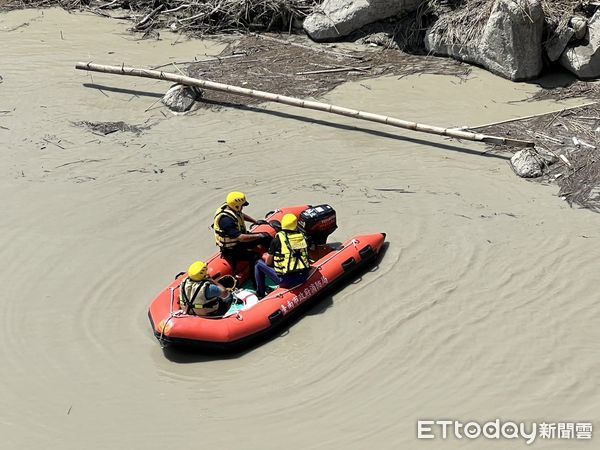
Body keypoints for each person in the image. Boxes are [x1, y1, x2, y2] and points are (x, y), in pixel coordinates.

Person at [254, 213, 311, 299]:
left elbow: (268, 263)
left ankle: (260, 294)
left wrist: (265, 255)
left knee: (258, 263)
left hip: (286, 281)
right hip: (304, 276)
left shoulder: (277, 240)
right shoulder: (302, 237)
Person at [213, 191, 270, 267]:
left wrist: (255, 222)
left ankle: (273, 254)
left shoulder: (231, 208)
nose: (243, 207)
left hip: (239, 242)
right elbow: (241, 238)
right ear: (236, 206)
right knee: (255, 256)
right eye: (242, 206)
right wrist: (259, 235)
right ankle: (255, 277)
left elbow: (240, 215)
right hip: (232, 250)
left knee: (266, 237)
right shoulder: (226, 221)